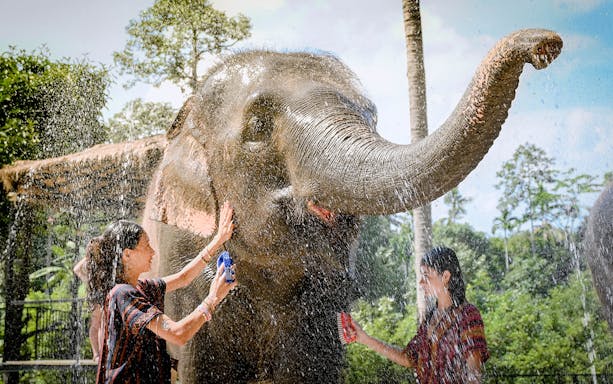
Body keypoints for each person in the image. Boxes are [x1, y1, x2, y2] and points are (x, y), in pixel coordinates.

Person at [87, 201, 237, 384]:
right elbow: (178, 333)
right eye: (146, 245)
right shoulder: (123, 294)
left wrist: (219, 239)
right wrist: (212, 298)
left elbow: (184, 277)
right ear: (127, 255)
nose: (153, 252)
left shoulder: (141, 287)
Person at [345, 246, 489, 383]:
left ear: (445, 276)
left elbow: (474, 372)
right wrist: (363, 338)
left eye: (426, 276)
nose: (421, 282)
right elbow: (408, 358)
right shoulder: (430, 318)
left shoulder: (468, 315)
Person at [73, 255, 103, 362]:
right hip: (96, 296)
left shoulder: (100, 268)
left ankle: (99, 354)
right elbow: (76, 269)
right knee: (98, 324)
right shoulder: (90, 278)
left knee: (98, 324)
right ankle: (97, 353)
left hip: (99, 295)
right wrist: (88, 256)